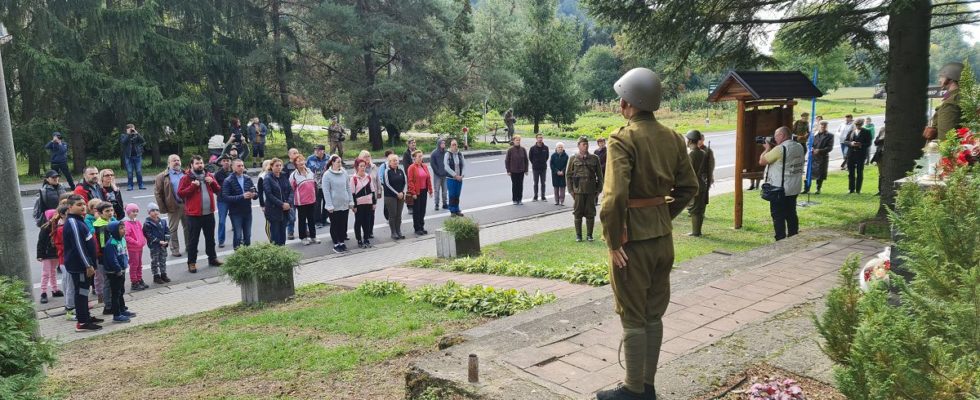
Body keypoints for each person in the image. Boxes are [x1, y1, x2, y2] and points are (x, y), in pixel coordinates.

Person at [597, 68, 699, 400]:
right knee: (653, 314)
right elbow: (689, 187)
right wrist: (661, 215)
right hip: (662, 239)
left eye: (621, 100)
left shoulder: (622, 139)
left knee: (632, 315)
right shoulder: (673, 137)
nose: (620, 104)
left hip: (632, 243)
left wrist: (614, 241)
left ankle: (632, 389)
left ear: (627, 103)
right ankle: (647, 386)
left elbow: (613, 198)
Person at [63, 194, 103, 332]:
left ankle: (86, 316)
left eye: (84, 204)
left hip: (86, 265)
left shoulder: (80, 220)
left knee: (85, 291)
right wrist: (88, 265)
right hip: (80, 266)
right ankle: (82, 322)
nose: (83, 207)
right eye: (79, 205)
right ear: (70, 207)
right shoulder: (73, 222)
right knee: (81, 293)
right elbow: (78, 246)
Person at [177, 155, 223, 273]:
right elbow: (180, 194)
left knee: (210, 239)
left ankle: (212, 258)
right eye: (197, 163)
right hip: (194, 215)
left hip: (209, 214)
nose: (200, 165)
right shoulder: (186, 178)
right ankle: (192, 263)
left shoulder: (209, 175)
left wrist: (212, 183)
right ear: (191, 165)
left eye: (201, 163)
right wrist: (192, 186)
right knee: (193, 240)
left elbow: (218, 190)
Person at [760, 126, 805, 241]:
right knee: (791, 213)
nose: (775, 138)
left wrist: (767, 148)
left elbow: (762, 161)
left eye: (776, 136)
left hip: (780, 189)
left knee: (778, 215)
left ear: (782, 135)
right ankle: (793, 236)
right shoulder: (799, 146)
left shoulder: (780, 149)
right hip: (794, 186)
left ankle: (780, 239)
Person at [566, 136, 603, 242]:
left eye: (587, 144)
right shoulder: (573, 158)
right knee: (577, 213)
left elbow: (600, 175)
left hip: (591, 190)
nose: (585, 146)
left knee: (590, 213)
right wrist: (571, 191)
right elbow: (568, 175)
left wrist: (599, 190)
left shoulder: (594, 158)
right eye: (583, 144)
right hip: (578, 190)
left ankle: (589, 235)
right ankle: (578, 235)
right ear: (579, 146)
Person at [154, 155, 187, 258]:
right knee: (173, 229)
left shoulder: (186, 173)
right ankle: (175, 250)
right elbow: (158, 194)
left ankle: (189, 246)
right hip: (173, 206)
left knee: (188, 227)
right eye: (174, 161)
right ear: (169, 163)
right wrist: (163, 208)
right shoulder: (162, 176)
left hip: (187, 205)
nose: (176, 162)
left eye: (178, 160)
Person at [102, 220, 134, 323]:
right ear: (114, 231)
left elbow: (124, 253)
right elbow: (112, 259)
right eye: (121, 228)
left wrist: (125, 263)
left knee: (121, 291)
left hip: (122, 270)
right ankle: (116, 315)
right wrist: (118, 269)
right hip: (115, 272)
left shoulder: (122, 240)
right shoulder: (111, 243)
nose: (124, 230)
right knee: (115, 294)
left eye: (124, 227)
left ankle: (122, 309)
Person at [221, 159, 257, 249]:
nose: (241, 167)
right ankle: (238, 254)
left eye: (242, 165)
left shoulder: (247, 178)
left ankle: (247, 253)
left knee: (248, 235)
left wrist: (254, 195)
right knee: (238, 236)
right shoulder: (228, 180)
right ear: (233, 167)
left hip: (247, 211)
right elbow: (225, 197)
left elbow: (256, 193)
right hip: (235, 212)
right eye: (238, 166)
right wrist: (242, 196)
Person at [925, 62, 964, 141]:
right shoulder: (962, 97)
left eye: (941, 77)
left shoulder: (950, 104)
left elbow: (945, 140)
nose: (939, 80)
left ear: (950, 79)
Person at [686, 130, 714, 237]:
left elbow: (688, 171)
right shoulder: (703, 153)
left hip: (694, 184)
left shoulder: (691, 154)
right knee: (700, 209)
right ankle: (697, 231)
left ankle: (696, 232)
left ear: (690, 141)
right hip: (703, 183)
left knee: (694, 210)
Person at [322, 155, 352, 252]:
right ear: (332, 162)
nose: (340, 164)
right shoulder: (327, 175)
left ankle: (342, 242)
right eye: (338, 162)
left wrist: (350, 200)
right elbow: (326, 191)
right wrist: (329, 205)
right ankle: (336, 243)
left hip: (344, 204)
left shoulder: (344, 172)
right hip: (333, 205)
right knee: (335, 225)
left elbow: (348, 187)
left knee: (343, 224)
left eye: (340, 162)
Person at [290, 154, 321, 245]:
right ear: (295, 163)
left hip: (312, 200)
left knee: (312, 219)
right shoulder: (293, 175)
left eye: (302, 160)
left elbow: (315, 184)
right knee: (302, 220)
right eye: (298, 161)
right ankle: (303, 237)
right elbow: (291, 188)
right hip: (301, 202)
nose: (301, 162)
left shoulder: (310, 171)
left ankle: (313, 236)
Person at [263, 158, 293, 246]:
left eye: (280, 165)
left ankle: (282, 249)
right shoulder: (268, 178)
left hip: (285, 209)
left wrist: (288, 202)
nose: (279, 167)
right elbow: (269, 194)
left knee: (282, 232)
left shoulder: (284, 176)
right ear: (271, 167)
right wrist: (281, 204)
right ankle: (276, 251)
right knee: (275, 234)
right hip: (274, 209)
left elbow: (291, 190)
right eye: (276, 166)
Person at [37, 209, 63, 304]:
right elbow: (40, 242)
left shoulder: (59, 226)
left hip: (55, 253)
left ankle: (55, 289)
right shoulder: (45, 228)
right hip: (46, 254)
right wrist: (40, 255)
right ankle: (43, 292)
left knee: (53, 272)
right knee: (46, 273)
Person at [351, 159, 377, 248]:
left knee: (367, 222)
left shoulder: (368, 177)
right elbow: (352, 193)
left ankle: (366, 238)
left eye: (364, 166)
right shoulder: (353, 178)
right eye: (361, 166)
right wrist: (354, 206)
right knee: (358, 222)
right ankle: (359, 240)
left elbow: (372, 190)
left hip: (368, 203)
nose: (363, 168)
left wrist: (374, 203)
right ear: (357, 167)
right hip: (359, 204)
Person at [143, 202, 170, 284]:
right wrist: (158, 241)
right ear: (149, 212)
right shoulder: (147, 223)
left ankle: (163, 274)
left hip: (163, 245)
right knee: (155, 261)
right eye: (153, 210)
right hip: (154, 246)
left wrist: (167, 240)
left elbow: (167, 231)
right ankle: (156, 276)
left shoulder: (163, 221)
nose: (155, 212)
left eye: (157, 210)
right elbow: (148, 235)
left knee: (163, 259)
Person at [122, 204, 148, 291]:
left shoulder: (137, 222)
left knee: (139, 264)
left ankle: (139, 279)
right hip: (133, 248)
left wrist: (143, 240)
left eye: (136, 211)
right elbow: (126, 236)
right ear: (128, 212)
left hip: (139, 247)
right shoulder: (127, 224)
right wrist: (135, 242)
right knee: (134, 265)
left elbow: (141, 233)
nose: (135, 213)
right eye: (133, 211)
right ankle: (134, 282)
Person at [407, 150, 433, 235]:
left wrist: (430, 190)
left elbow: (428, 178)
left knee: (422, 210)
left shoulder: (424, 166)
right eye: (419, 156)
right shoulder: (411, 167)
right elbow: (410, 181)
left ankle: (422, 226)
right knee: (417, 210)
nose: (421, 158)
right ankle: (417, 228)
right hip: (416, 192)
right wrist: (413, 192)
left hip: (424, 191)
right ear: (414, 158)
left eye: (422, 156)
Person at [382, 154, 407, 240]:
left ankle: (398, 231)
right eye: (393, 160)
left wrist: (402, 192)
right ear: (389, 162)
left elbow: (404, 182)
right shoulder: (387, 171)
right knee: (393, 215)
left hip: (401, 196)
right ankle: (393, 232)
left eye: (396, 160)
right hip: (390, 196)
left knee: (399, 215)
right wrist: (397, 193)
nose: (396, 162)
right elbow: (387, 184)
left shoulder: (400, 170)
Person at [806, 121, 835, 194]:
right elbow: (808, 143)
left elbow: (830, 147)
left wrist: (819, 150)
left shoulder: (830, 135)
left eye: (825, 125)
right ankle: (806, 188)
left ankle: (818, 189)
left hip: (822, 157)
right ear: (819, 126)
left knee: (820, 174)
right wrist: (811, 148)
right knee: (809, 173)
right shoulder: (814, 134)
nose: (823, 126)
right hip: (813, 157)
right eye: (822, 125)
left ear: (826, 126)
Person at [845, 119, 873, 194]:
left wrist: (860, 144)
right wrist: (851, 143)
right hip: (851, 154)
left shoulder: (867, 132)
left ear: (862, 124)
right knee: (851, 172)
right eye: (856, 125)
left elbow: (869, 143)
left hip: (861, 154)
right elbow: (846, 141)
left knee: (859, 172)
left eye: (859, 125)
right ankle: (851, 189)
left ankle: (858, 189)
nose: (858, 126)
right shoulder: (851, 131)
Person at [358, 150, 381, 239]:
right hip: (363, 196)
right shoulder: (359, 167)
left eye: (368, 156)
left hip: (373, 194)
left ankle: (370, 231)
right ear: (361, 158)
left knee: (371, 214)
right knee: (363, 215)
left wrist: (379, 191)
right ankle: (364, 232)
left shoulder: (373, 167)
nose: (367, 158)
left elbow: (377, 179)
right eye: (365, 156)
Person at [307, 145, 330, 227]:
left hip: (326, 183)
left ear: (323, 151)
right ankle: (317, 220)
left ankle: (324, 219)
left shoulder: (328, 158)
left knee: (327, 201)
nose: (316, 152)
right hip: (315, 183)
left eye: (318, 150)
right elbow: (307, 170)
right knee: (317, 203)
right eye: (315, 150)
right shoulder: (310, 158)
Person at [212, 156, 233, 248]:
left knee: (236, 219)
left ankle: (239, 238)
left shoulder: (234, 171)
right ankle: (221, 240)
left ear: (230, 162)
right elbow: (214, 187)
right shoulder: (217, 174)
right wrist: (220, 194)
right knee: (222, 221)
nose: (226, 162)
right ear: (221, 163)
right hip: (222, 200)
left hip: (234, 199)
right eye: (224, 161)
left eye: (228, 160)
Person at [120, 124, 146, 191]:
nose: (131, 129)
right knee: (129, 172)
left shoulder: (137, 135)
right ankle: (130, 186)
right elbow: (123, 142)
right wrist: (128, 134)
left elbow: (142, 140)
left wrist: (137, 133)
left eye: (132, 128)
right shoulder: (123, 135)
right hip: (128, 157)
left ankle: (141, 185)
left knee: (139, 171)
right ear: (126, 129)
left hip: (137, 156)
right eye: (129, 128)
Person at [443, 139, 466, 217]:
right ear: (450, 146)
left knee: (457, 194)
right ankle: (452, 210)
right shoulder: (447, 154)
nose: (454, 146)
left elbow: (464, 165)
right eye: (453, 144)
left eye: (455, 144)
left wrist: (462, 175)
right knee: (452, 194)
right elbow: (446, 167)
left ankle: (457, 209)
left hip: (459, 178)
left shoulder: (460, 154)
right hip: (451, 179)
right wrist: (455, 175)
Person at [505, 135, 529, 205]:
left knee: (520, 185)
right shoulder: (510, 150)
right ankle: (515, 199)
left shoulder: (523, 149)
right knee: (515, 185)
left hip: (521, 170)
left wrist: (526, 170)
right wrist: (508, 170)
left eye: (519, 140)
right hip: (513, 171)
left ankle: (520, 199)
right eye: (516, 140)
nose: (518, 141)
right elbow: (507, 161)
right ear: (513, 141)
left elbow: (526, 160)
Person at [283, 148, 300, 240]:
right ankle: (290, 232)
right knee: (291, 215)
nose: (296, 154)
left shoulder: (301, 164)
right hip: (291, 194)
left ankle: (305, 230)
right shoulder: (286, 166)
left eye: (297, 152)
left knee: (303, 214)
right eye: (294, 153)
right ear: (289, 155)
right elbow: (284, 180)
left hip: (301, 193)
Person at [528, 134, 550, 202]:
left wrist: (542, 162)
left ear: (542, 138)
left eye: (541, 138)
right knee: (535, 183)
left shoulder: (546, 148)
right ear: (536, 139)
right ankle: (535, 197)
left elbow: (547, 157)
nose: (540, 139)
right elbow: (530, 157)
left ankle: (543, 197)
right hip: (535, 168)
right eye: (538, 138)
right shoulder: (532, 148)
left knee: (543, 183)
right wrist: (535, 163)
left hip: (543, 168)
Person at [430, 139, 449, 210]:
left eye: (444, 143)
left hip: (445, 175)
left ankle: (445, 203)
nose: (443, 144)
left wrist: (447, 172)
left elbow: (449, 162)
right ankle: (436, 204)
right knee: (437, 190)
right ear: (439, 144)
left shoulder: (447, 153)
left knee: (445, 190)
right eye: (442, 143)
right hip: (437, 175)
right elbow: (432, 164)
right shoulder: (434, 153)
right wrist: (437, 172)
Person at [402, 139, 418, 214]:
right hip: (411, 176)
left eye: (414, 142)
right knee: (410, 192)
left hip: (418, 176)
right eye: (412, 143)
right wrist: (410, 176)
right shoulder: (406, 154)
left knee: (417, 192)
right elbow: (406, 166)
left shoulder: (418, 152)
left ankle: (416, 206)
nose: (413, 144)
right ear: (408, 144)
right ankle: (410, 207)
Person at [873, 126, 886, 196]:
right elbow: (876, 142)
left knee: (886, 173)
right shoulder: (882, 129)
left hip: (888, 155)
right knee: (881, 174)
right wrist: (881, 138)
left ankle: (885, 189)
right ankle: (880, 190)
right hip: (880, 155)